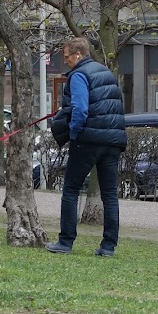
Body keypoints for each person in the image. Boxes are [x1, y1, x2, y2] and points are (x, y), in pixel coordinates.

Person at [47, 37, 127, 257]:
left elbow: (80, 109)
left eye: (67, 57)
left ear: (78, 55)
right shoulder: (107, 73)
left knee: (71, 189)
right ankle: (108, 247)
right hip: (113, 140)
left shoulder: (79, 75)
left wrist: (73, 134)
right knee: (110, 195)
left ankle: (65, 242)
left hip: (88, 139)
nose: (66, 62)